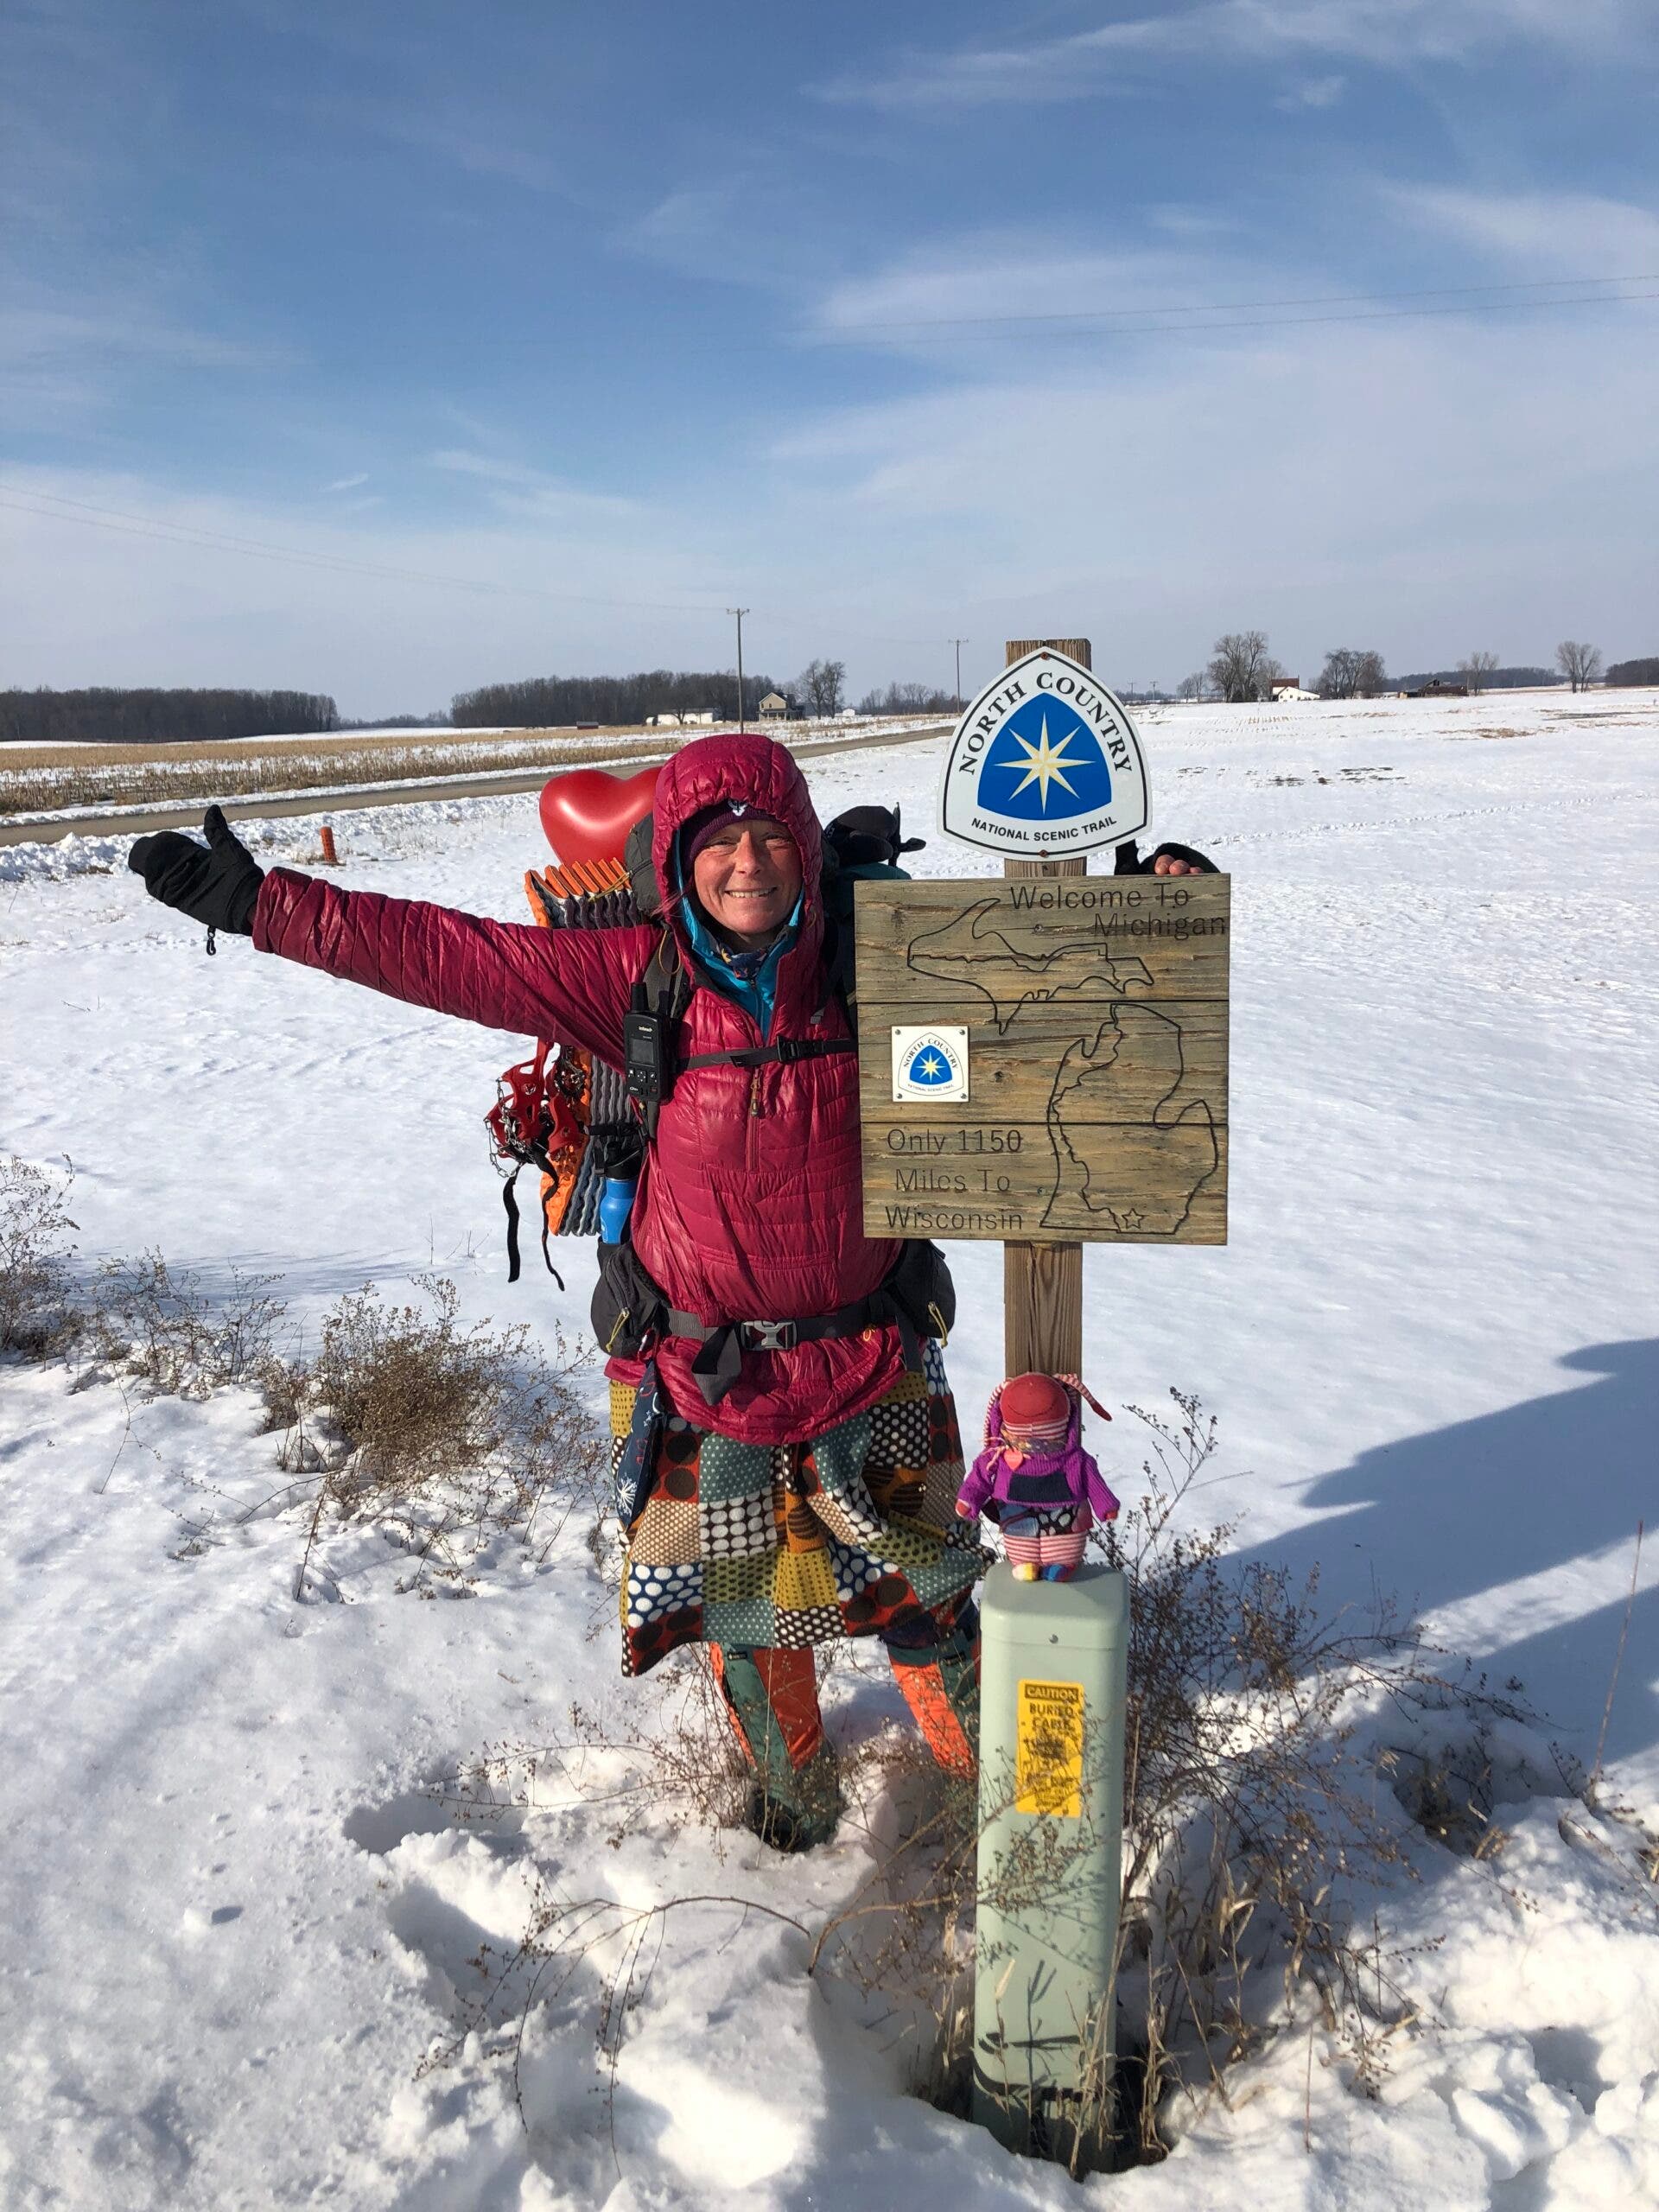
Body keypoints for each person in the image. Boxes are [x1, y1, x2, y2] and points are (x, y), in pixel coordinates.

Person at [129, 731, 1214, 1852]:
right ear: (677, 860)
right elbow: (444, 954)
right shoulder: (637, 979)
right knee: (751, 1620)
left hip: (871, 1362)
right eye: (718, 842)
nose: (748, 862)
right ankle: (793, 1806)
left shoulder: (886, 956)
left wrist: (1139, 922)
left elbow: (1039, 991)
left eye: (769, 836)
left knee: (934, 1610)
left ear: (805, 846)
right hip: (707, 1377)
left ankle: (1008, 1818)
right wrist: (264, 905)